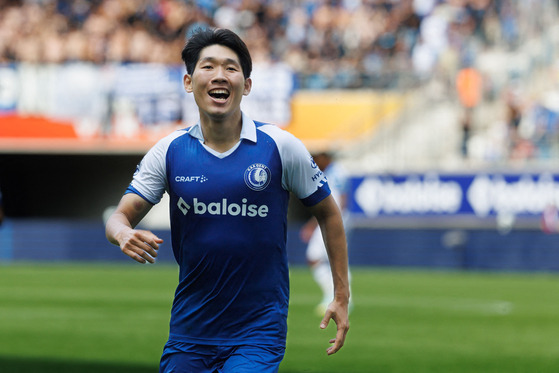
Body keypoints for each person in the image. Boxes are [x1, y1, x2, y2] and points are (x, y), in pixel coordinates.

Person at [105, 28, 350, 373]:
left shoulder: (280, 146)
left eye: (231, 68)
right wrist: (122, 233)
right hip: (189, 331)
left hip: (258, 332)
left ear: (246, 85)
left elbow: (329, 213)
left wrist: (341, 296)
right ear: (189, 82)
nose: (220, 75)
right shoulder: (169, 151)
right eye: (208, 67)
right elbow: (119, 216)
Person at [299, 151, 352, 315]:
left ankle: (335, 296)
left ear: (325, 158)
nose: (315, 161)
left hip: (334, 222)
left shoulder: (335, 173)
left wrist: (336, 223)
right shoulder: (331, 172)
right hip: (335, 220)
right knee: (332, 257)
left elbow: (336, 202)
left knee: (316, 257)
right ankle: (339, 297)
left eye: (317, 158)